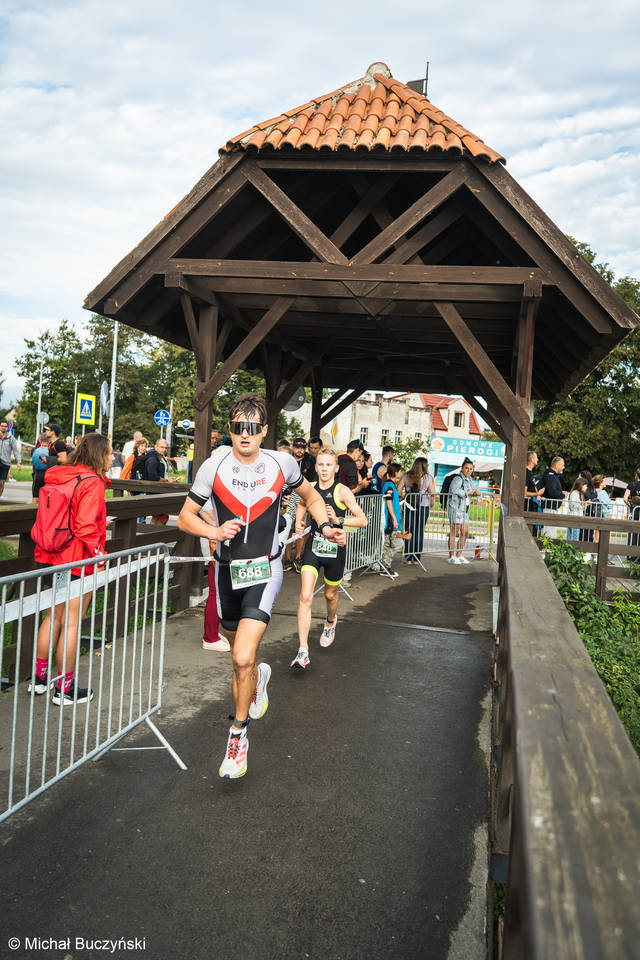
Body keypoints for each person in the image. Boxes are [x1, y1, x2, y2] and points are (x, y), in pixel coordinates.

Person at [176, 392, 345, 780]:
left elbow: (310, 496)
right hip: (225, 571)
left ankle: (238, 737)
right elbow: (185, 517)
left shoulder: (281, 463)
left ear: (265, 430)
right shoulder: (213, 465)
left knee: (240, 658)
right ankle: (257, 681)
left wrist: (326, 525)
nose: (245, 435)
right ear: (231, 430)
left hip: (265, 571)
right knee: (239, 653)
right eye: (238, 428)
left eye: (253, 428)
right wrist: (213, 530)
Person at [28, 433, 111, 704]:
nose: (112, 457)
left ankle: (40, 681)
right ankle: (64, 690)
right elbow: (86, 527)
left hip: (53, 555)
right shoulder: (92, 483)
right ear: (99, 455)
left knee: (53, 616)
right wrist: (99, 560)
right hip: (77, 560)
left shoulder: (61, 474)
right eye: (109, 453)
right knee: (72, 623)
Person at [290, 448, 367, 670]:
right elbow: (303, 504)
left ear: (336, 468)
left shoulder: (342, 491)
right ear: (315, 467)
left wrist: (339, 519)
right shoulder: (310, 488)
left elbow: (362, 520)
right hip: (313, 548)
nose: (324, 469)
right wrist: (299, 521)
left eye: (328, 465)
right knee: (305, 596)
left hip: (335, 551)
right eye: (320, 465)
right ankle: (303, 650)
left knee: (330, 595)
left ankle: (331, 622)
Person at [402, 457, 435, 564]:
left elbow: (398, 490)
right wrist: (432, 503)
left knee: (409, 530)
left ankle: (408, 558)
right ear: (425, 466)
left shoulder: (406, 475)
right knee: (419, 532)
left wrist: (404, 497)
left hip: (409, 505)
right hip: (423, 506)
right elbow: (432, 493)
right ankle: (416, 558)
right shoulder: (428, 477)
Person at [447, 458, 480, 564]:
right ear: (462, 468)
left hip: (465, 510)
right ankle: (452, 556)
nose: (469, 470)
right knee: (454, 531)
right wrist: (468, 493)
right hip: (456, 509)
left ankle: (459, 555)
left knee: (465, 533)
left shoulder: (470, 480)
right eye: (466, 468)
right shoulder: (458, 479)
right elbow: (453, 490)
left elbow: (475, 490)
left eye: (471, 469)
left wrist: (477, 495)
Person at [145, 438, 177, 525]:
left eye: (166, 448)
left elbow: (162, 473)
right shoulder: (153, 458)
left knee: (157, 517)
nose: (164, 450)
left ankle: (151, 537)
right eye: (162, 447)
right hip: (155, 492)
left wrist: (169, 478)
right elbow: (152, 477)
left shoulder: (161, 457)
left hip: (160, 491)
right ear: (156, 447)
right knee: (162, 518)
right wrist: (167, 480)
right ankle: (154, 537)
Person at [381, 462, 404, 577]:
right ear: (395, 472)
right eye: (400, 471)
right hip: (389, 520)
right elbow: (389, 503)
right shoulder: (389, 486)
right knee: (389, 544)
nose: (401, 473)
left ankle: (385, 566)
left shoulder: (390, 485)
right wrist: (394, 519)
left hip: (391, 519)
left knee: (390, 543)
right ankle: (385, 567)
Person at [0, 420, 20, 498]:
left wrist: (18, 462)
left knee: (1, 483)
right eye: (2, 426)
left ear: (7, 427)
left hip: (5, 463)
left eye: (5, 426)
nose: (3, 427)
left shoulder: (11, 438)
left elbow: (16, 451)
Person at [623, 468, 640, 558]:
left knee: (633, 533)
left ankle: (631, 556)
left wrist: (630, 505)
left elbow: (625, 498)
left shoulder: (631, 484)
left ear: (636, 475)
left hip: (634, 511)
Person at [566, 477, 587, 542]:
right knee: (574, 535)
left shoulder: (579, 494)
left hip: (577, 516)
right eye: (585, 485)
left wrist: (584, 504)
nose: (586, 487)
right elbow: (574, 506)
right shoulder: (575, 493)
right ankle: (572, 549)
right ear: (581, 485)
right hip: (574, 517)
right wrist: (584, 505)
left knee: (574, 534)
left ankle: (570, 548)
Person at [31, 433, 50, 501]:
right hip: (48, 475)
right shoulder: (50, 451)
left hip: (38, 474)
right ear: (49, 441)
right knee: (46, 498)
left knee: (35, 497)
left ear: (40, 441)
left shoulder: (35, 450)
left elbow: (33, 462)